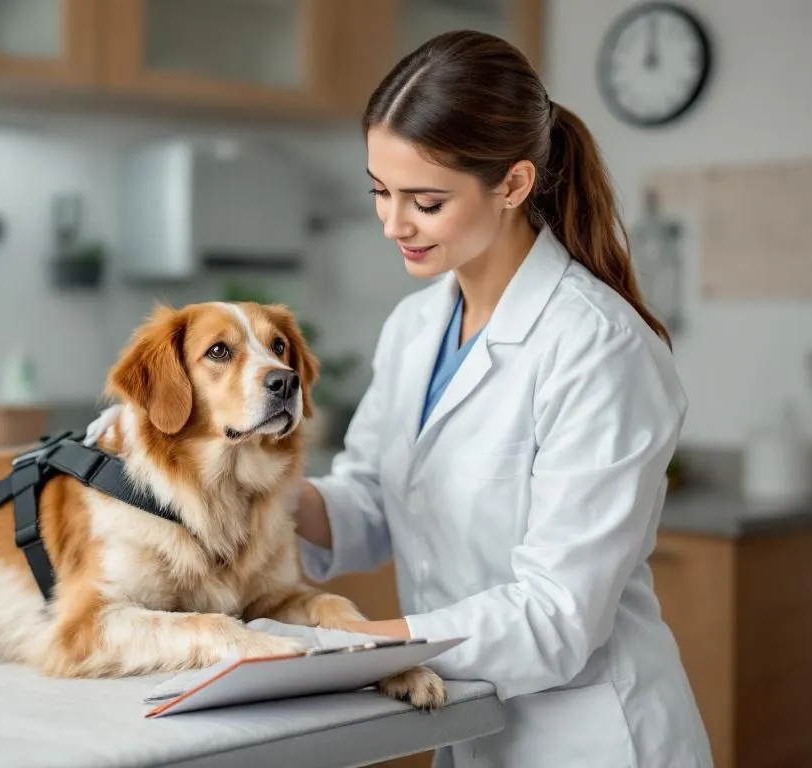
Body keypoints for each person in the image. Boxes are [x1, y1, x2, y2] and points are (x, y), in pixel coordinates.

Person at [291, 31, 715, 767]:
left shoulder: (597, 346)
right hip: (465, 729)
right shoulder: (416, 326)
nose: (393, 224)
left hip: (588, 741)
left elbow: (556, 615)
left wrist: (342, 649)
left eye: (425, 200)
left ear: (514, 185)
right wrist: (241, 494)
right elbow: (369, 498)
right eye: (380, 192)